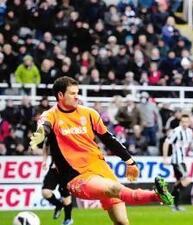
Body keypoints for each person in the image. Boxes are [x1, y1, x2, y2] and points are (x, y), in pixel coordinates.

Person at [30, 76, 173, 225]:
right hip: (77, 177)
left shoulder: (89, 113)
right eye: (72, 93)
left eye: (77, 92)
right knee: (114, 188)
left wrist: (130, 162)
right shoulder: (50, 115)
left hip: (101, 169)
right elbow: (44, 126)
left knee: (121, 221)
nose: (77, 96)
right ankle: (156, 195)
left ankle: (157, 195)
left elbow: (108, 139)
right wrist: (41, 133)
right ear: (60, 95)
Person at [162, 114, 193, 211]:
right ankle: (170, 198)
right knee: (186, 179)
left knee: (178, 182)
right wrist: (165, 157)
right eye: (183, 122)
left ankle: (173, 204)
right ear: (181, 122)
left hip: (183, 160)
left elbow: (187, 146)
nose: (184, 124)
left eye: (186, 122)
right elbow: (166, 143)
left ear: (189, 122)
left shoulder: (189, 132)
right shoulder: (176, 131)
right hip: (176, 160)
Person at [41, 135, 73, 225]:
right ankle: (58, 205)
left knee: (65, 195)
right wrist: (44, 160)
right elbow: (45, 146)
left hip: (67, 170)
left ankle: (68, 219)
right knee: (45, 192)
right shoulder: (51, 135)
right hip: (54, 169)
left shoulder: (69, 134)